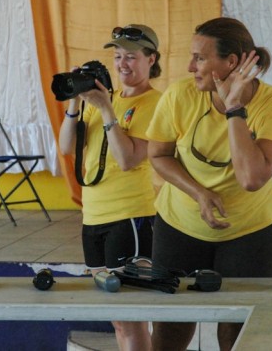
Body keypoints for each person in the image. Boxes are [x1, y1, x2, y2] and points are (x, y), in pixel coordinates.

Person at [146, 17, 272, 351]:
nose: (190, 66)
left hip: (249, 232)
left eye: (200, 58)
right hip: (179, 227)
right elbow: (158, 155)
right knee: (169, 331)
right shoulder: (179, 96)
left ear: (231, 62)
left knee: (237, 332)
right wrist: (199, 192)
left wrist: (234, 109)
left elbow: (252, 178)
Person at [58, 24, 162, 351]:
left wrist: (105, 109)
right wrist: (76, 102)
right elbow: (66, 146)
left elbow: (129, 159)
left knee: (131, 314)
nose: (122, 64)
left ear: (151, 59)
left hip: (131, 216)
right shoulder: (102, 99)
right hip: (94, 218)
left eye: (131, 57)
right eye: (117, 56)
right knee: (116, 316)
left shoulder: (156, 103)